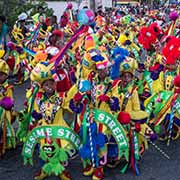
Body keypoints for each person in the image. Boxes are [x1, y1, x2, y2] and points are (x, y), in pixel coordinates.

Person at [0, 59, 16, 156]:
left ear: (6, 75)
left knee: (4, 127)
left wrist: (5, 102)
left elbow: (10, 102)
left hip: (4, 112)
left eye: (1, 75)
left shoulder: (8, 87)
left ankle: (5, 143)